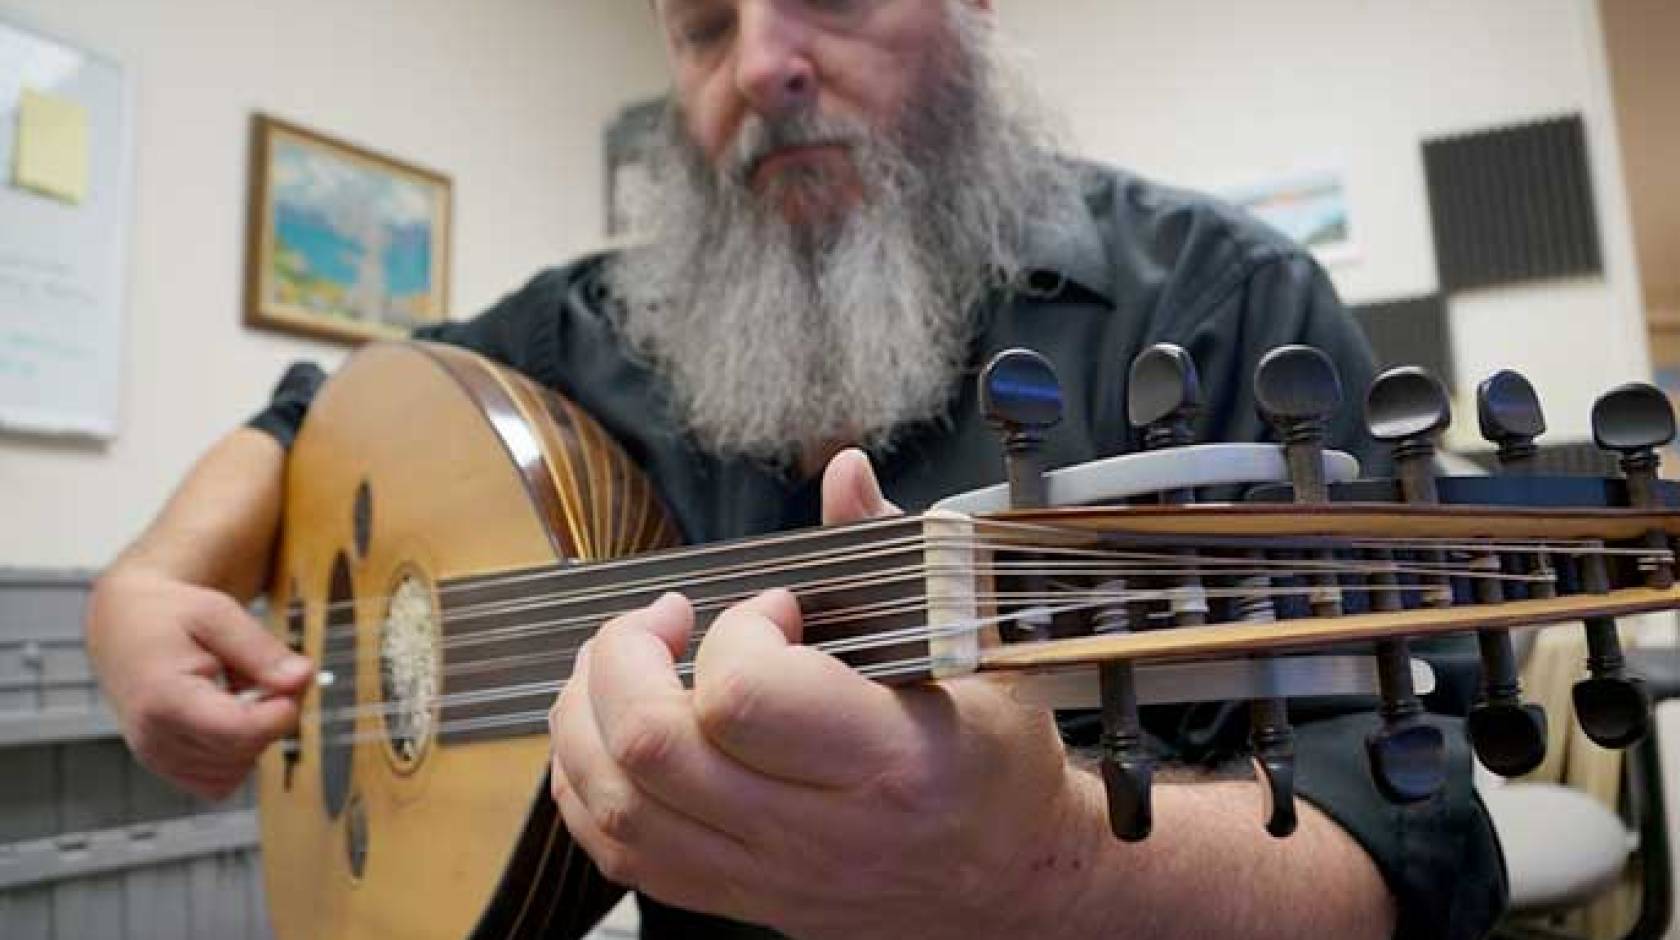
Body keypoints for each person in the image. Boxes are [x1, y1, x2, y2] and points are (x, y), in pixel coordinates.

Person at [85, 1, 1505, 937]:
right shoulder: (587, 331)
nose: (761, 62)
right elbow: (312, 417)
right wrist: (148, 581)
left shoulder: (1217, 296)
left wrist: (1043, 867)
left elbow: (1403, 853)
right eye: (703, 25)